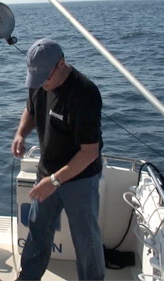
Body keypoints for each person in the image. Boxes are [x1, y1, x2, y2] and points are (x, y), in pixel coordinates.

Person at [11, 38, 105, 280]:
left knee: (86, 240)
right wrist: (21, 133)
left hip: (80, 178)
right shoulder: (39, 80)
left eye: (46, 78)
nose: (42, 84)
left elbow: (90, 152)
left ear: (61, 63)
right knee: (37, 232)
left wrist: (54, 181)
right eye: (36, 79)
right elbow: (30, 110)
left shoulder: (85, 94)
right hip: (47, 173)